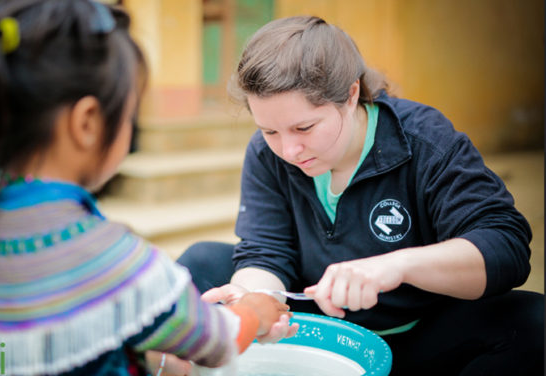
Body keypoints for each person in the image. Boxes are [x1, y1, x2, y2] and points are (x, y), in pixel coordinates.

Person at [0, 1, 292, 375]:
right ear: (86, 123)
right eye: (128, 114)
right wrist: (252, 313)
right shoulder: (105, 256)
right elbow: (215, 340)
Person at [177, 15, 544, 376]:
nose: (289, 149)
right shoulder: (265, 154)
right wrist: (254, 301)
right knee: (201, 264)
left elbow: (505, 245)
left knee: (532, 323)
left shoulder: (423, 140)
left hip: (420, 332)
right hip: (310, 326)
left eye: (304, 127)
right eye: (270, 130)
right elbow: (265, 253)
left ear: (351, 95)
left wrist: (396, 266)